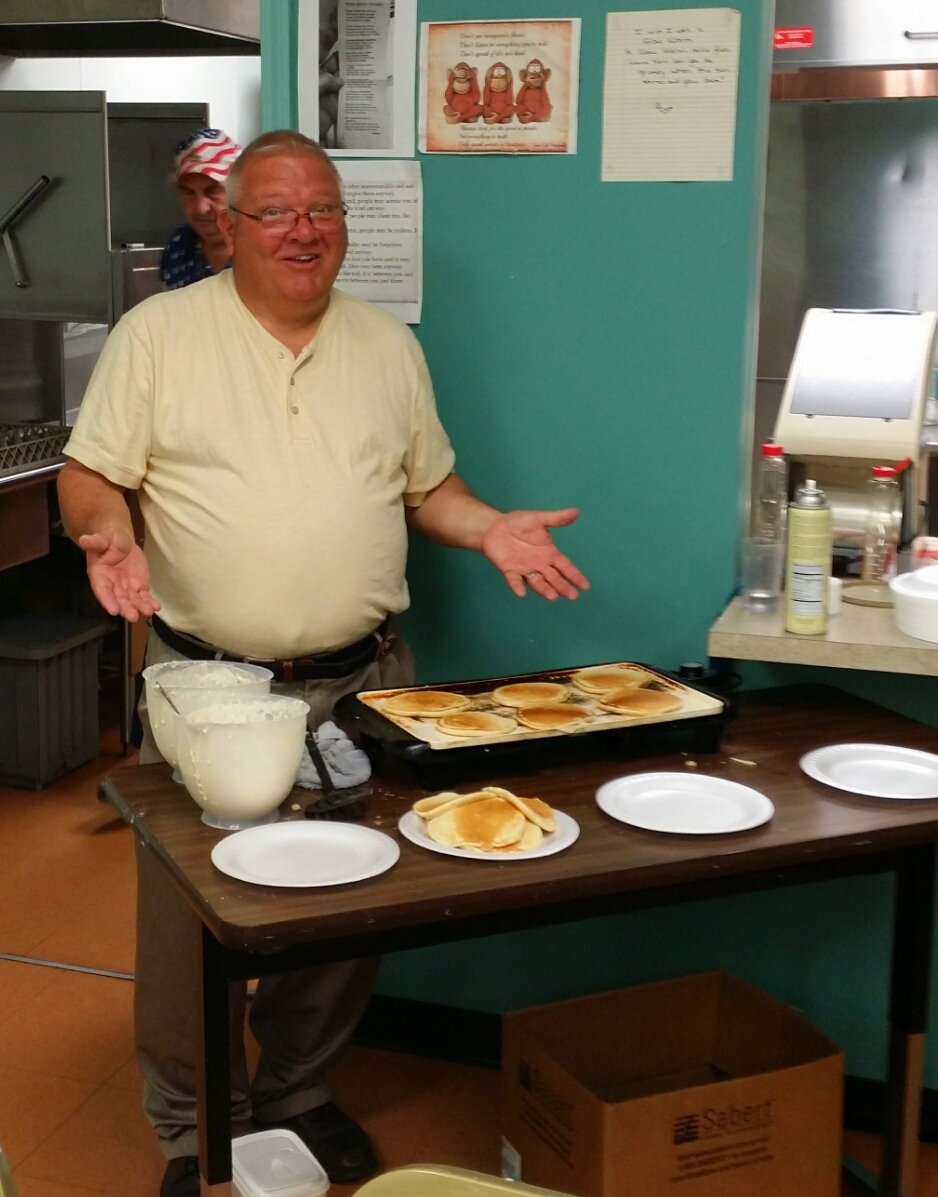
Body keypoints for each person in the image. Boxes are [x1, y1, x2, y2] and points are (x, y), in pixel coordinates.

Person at [57, 129, 589, 1197]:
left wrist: (485, 529)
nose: (302, 231)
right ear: (232, 224)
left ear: (343, 225)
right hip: (211, 685)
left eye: (323, 211)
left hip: (360, 680)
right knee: (191, 920)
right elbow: (91, 473)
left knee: (341, 903)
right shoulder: (160, 335)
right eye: (277, 212)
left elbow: (424, 487)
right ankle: (192, 1120)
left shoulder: (387, 347)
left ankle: (296, 1092)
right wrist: (100, 533)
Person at [160, 127, 241, 290]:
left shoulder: (263, 245)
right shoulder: (179, 246)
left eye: (213, 191)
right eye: (188, 193)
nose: (201, 208)